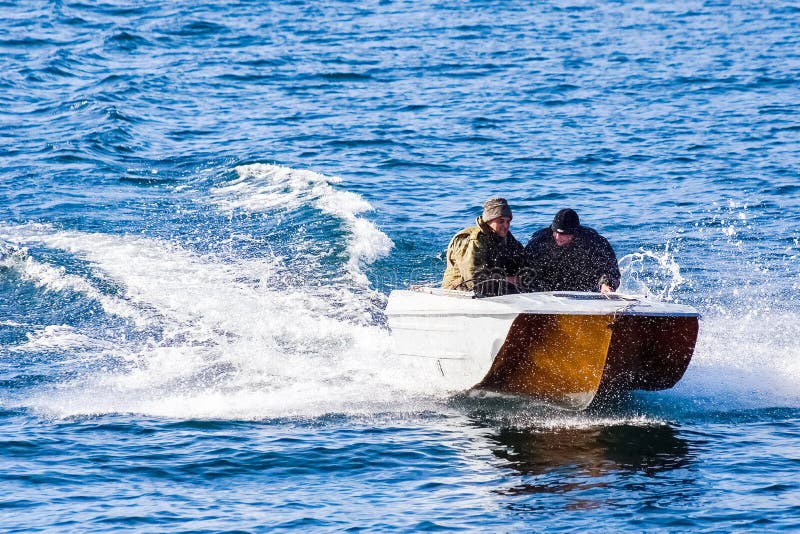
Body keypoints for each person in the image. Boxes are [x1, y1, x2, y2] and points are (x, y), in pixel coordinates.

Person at [523, 208, 620, 294]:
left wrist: (606, 284)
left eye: (563, 234)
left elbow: (611, 269)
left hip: (584, 289)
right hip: (547, 289)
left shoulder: (593, 241)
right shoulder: (540, 240)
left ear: (574, 233)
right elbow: (522, 264)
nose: (557, 237)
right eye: (555, 232)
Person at [441, 197, 525, 296]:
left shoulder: (506, 238)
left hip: (492, 285)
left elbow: (522, 260)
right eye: (501, 221)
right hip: (459, 291)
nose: (506, 226)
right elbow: (472, 280)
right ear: (488, 221)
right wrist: (505, 280)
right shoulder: (473, 240)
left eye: (508, 222)